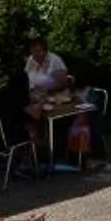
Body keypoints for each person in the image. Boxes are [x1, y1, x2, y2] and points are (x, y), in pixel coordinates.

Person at [24, 35, 72, 164]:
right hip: (38, 96)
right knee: (35, 116)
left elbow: (63, 83)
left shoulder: (55, 61)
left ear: (45, 51)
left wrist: (48, 88)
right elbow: (27, 78)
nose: (36, 54)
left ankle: (56, 153)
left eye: (39, 51)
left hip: (57, 96)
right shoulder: (31, 60)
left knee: (55, 120)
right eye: (33, 51)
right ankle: (41, 150)